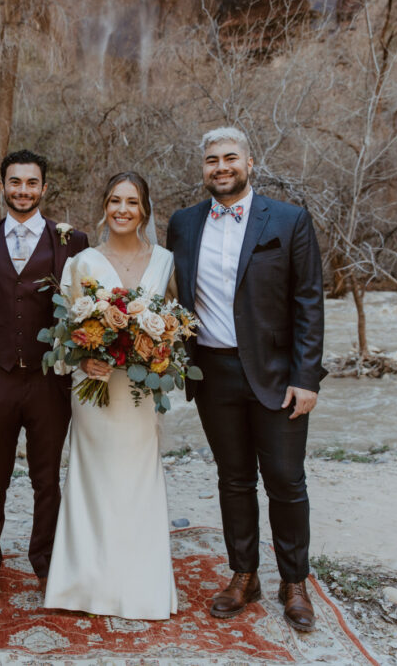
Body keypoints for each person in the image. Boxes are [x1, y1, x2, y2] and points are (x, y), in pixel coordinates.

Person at [166, 127, 326, 632]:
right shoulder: (183, 224)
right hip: (213, 373)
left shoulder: (288, 220)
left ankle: (294, 582)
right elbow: (179, 297)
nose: (221, 167)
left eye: (230, 157)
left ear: (249, 162)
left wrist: (306, 377)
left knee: (285, 480)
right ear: (204, 168)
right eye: (212, 159)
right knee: (233, 480)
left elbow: (309, 302)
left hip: (277, 376)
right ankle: (244, 575)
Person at [43, 172, 178, 620]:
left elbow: (175, 326)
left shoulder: (164, 261)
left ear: (145, 209)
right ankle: (84, 587)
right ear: (104, 206)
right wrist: (82, 361)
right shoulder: (81, 262)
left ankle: (141, 588)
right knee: (93, 480)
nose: (123, 209)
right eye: (116, 200)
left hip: (139, 394)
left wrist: (161, 355)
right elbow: (63, 337)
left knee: (137, 482)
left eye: (133, 202)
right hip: (95, 389)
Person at [0, 150, 88, 608]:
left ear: (44, 188)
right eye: (14, 182)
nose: (22, 190)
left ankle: (47, 564)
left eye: (31, 183)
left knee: (46, 479)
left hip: (49, 379)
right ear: (3, 186)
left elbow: (86, 304)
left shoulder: (73, 241)